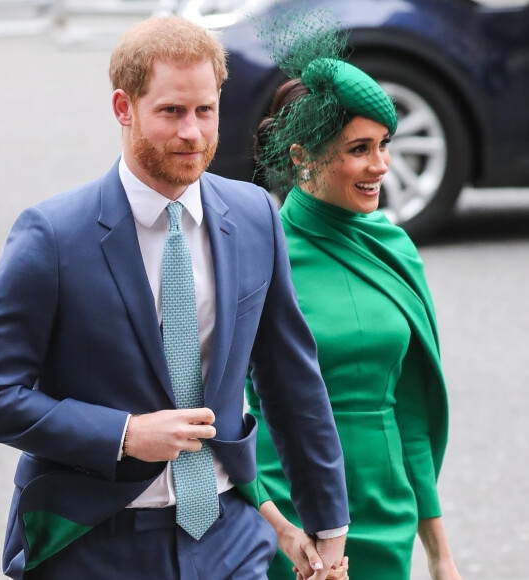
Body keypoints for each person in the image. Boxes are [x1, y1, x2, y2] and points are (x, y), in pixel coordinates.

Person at [0, 16, 350, 580]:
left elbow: (291, 380)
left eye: (204, 110)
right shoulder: (53, 236)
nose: (192, 132)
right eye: (171, 112)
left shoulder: (256, 215)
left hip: (227, 537)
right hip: (93, 542)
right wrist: (123, 435)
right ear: (124, 107)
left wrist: (329, 526)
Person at [245, 21, 463, 580]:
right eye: (359, 149)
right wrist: (276, 524)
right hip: (289, 514)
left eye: (384, 145)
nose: (381, 166)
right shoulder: (260, 251)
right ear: (303, 156)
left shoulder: (394, 246)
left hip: (386, 508)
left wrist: (439, 552)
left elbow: (410, 407)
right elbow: (226, 406)